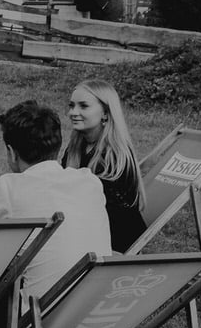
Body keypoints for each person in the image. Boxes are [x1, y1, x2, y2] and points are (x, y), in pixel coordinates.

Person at [0, 100, 111, 306]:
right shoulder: (89, 182)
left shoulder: (11, 188)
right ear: (57, 146)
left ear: (11, 152)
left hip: (40, 320)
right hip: (93, 314)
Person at [59, 79, 147, 253]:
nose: (73, 112)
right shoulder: (77, 147)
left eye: (83, 106)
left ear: (105, 113)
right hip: (87, 234)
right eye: (71, 105)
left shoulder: (115, 156)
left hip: (115, 244)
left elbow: (113, 216)